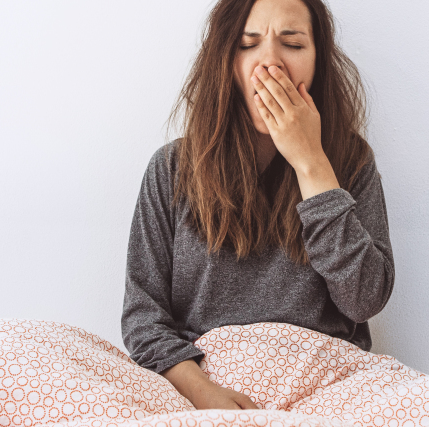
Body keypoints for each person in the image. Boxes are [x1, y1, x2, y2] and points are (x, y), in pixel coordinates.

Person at [121, 0, 394, 410]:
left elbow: (366, 299)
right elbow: (143, 319)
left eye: (293, 44)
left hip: (329, 389)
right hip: (203, 389)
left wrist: (311, 163)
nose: (270, 64)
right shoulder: (172, 169)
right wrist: (206, 395)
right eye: (248, 44)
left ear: (318, 60)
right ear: (226, 61)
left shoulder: (351, 162)